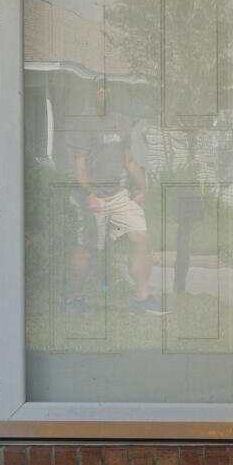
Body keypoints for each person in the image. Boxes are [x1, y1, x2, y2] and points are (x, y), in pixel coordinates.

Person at [68, 97, 158, 315]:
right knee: (87, 251)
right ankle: (73, 299)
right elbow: (79, 166)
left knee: (141, 239)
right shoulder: (85, 123)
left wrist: (143, 188)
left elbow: (129, 161)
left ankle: (142, 298)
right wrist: (88, 194)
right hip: (91, 195)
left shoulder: (122, 123)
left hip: (118, 195)